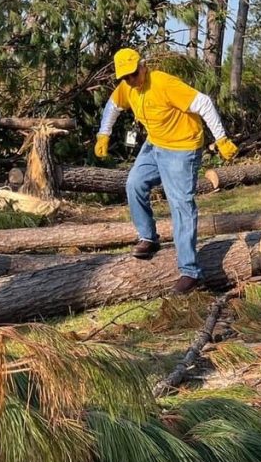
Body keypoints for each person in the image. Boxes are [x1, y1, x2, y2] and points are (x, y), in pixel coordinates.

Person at [94, 48, 239, 294]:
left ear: (142, 66)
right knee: (134, 184)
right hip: (155, 145)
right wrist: (103, 134)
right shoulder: (127, 88)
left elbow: (204, 102)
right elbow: (112, 106)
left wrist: (222, 140)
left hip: (182, 148)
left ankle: (190, 272)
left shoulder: (163, 83)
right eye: (125, 77)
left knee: (180, 204)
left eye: (133, 74)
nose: (131, 80)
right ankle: (148, 238)